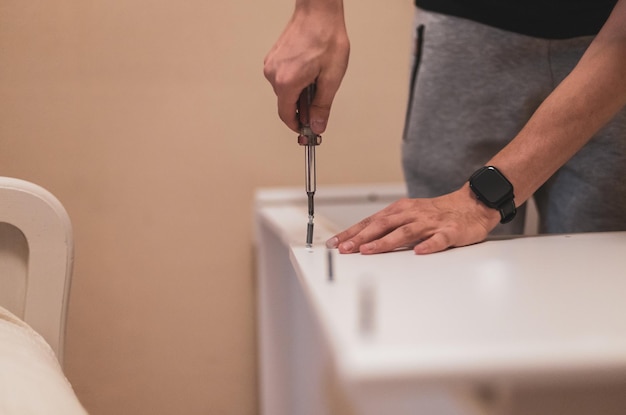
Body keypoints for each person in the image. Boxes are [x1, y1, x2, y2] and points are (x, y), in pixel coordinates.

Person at [263, 0, 626, 255]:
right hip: (463, 30)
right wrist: (316, 9)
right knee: (444, 265)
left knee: (599, 283)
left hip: (611, 43)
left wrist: (483, 199)